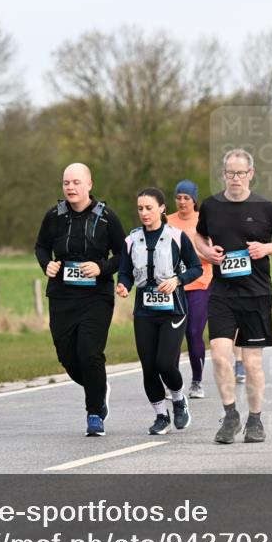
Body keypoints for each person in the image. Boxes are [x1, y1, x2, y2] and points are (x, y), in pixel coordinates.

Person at [193, 149, 272, 444]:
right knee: (221, 357)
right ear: (223, 174)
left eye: (240, 173)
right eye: (230, 173)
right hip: (223, 293)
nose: (235, 178)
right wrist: (207, 252)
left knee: (251, 364)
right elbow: (198, 236)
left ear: (251, 174)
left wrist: (266, 249)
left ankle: (255, 419)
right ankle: (230, 415)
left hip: (256, 294)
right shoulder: (211, 206)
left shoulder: (266, 208)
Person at [35, 163, 126, 437]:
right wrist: (46, 265)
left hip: (95, 297)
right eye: (66, 183)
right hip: (62, 297)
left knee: (89, 353)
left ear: (89, 184)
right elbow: (41, 246)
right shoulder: (54, 215)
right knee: (68, 357)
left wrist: (102, 268)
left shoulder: (107, 217)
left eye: (76, 182)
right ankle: (98, 387)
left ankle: (95, 412)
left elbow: (123, 254)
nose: (71, 188)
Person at [117, 188, 204, 434]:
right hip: (144, 310)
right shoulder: (132, 239)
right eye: (140, 209)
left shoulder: (177, 237)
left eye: (149, 208)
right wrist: (123, 284)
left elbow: (196, 269)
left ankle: (178, 399)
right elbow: (125, 270)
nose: (144, 213)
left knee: (165, 363)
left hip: (173, 310)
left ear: (162, 209)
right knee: (148, 367)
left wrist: (177, 280)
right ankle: (160, 416)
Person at [166, 179, 213, 399]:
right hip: (174, 286)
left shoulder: (205, 222)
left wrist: (192, 254)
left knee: (194, 333)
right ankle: (172, 383)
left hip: (200, 284)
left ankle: (197, 381)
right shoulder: (166, 222)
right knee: (172, 336)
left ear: (194, 200)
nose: (182, 202)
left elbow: (213, 256)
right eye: (179, 197)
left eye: (187, 198)